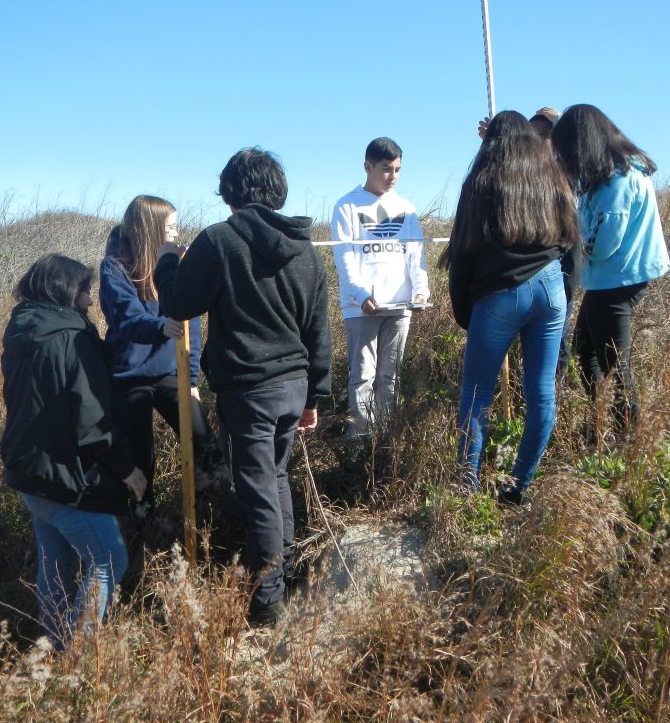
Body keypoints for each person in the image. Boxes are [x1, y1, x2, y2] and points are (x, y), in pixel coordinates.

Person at [155, 148, 331, 627]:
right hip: (293, 385)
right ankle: (287, 574)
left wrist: (168, 262)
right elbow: (319, 330)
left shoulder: (219, 241)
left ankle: (267, 602)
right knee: (275, 479)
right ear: (277, 189)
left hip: (248, 389)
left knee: (258, 490)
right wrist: (316, 396)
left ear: (230, 191)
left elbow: (178, 303)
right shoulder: (306, 249)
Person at [0, 254, 147, 649]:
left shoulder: (21, 332)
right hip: (64, 476)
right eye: (85, 290)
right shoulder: (73, 337)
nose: (90, 300)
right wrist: (126, 467)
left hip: (27, 472)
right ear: (65, 290)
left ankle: (54, 645)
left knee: (56, 562)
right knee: (109, 559)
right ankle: (75, 654)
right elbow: (90, 415)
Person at [442, 110, 580, 505]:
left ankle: (466, 488)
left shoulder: (482, 181)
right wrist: (563, 296)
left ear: (492, 143)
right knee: (541, 393)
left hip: (501, 294)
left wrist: (465, 314)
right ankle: (519, 486)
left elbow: (463, 254)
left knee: (475, 395)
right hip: (552, 290)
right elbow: (572, 242)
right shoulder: (555, 178)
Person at [550, 104, 670, 434]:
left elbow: (603, 244)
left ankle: (625, 439)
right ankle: (602, 421)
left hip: (616, 280)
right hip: (610, 279)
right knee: (586, 350)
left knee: (615, 366)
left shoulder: (616, 181)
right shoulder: (614, 172)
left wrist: (575, 238)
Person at [99, 195, 212, 519]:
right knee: (139, 459)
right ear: (150, 229)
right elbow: (127, 319)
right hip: (129, 374)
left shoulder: (179, 261)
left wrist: (191, 381)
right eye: (171, 227)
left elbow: (193, 325)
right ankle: (142, 528)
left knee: (204, 446)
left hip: (170, 371)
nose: (176, 234)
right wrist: (163, 326)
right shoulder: (115, 267)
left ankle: (207, 520)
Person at [331, 137, 430, 437]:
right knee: (362, 376)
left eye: (398, 170)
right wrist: (360, 296)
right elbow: (344, 257)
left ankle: (385, 439)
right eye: (386, 169)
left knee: (391, 376)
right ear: (368, 166)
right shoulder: (346, 206)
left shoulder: (405, 207)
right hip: (361, 308)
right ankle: (359, 443)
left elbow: (416, 255)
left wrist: (420, 291)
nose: (393, 177)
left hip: (400, 308)